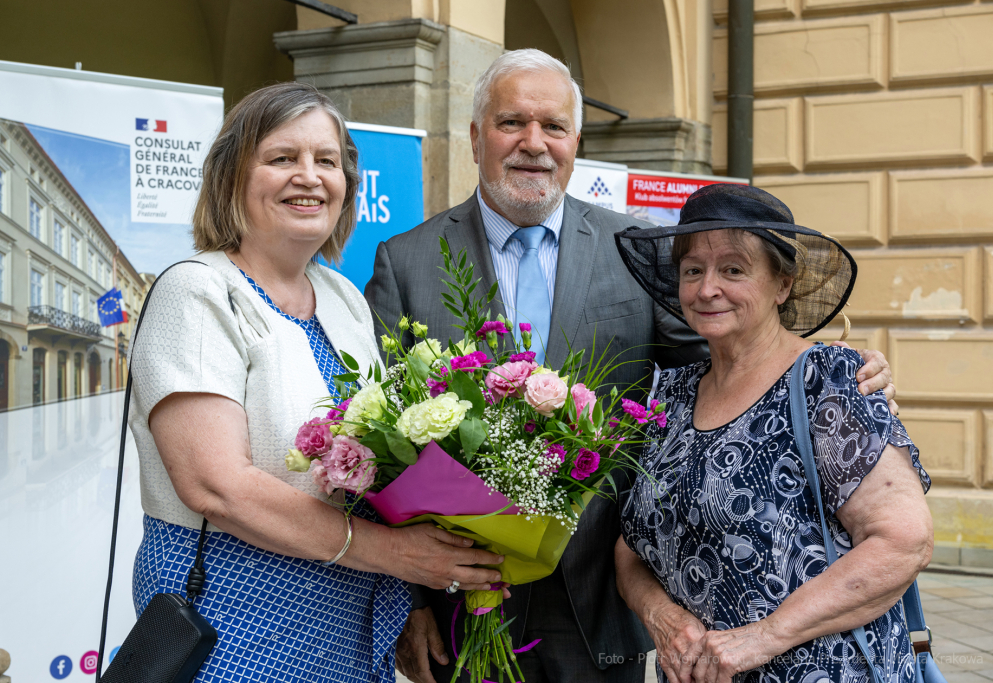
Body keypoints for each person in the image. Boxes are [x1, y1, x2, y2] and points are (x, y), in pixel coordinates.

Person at [363, 50, 896, 683]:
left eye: (553, 127)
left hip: (600, 592)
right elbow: (378, 443)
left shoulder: (633, 252)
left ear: (576, 142)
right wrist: (412, 602)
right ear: (476, 137)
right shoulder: (407, 259)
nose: (534, 144)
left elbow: (733, 354)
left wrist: (834, 371)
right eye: (512, 123)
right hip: (460, 593)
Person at [127, 82, 505, 683]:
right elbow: (215, 486)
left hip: (348, 628)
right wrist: (399, 556)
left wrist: (407, 598)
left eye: (326, 161)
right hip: (233, 625)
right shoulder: (197, 292)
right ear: (232, 178)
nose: (310, 177)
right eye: (282, 158)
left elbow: (380, 469)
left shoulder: (342, 298)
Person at [614, 183, 933, 683]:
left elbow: (903, 540)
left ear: (782, 284)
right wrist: (661, 616)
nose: (706, 288)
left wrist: (761, 637)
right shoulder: (670, 399)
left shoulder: (827, 381)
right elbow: (631, 544)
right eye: (693, 270)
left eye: (733, 269)